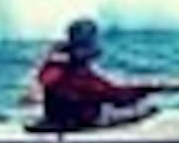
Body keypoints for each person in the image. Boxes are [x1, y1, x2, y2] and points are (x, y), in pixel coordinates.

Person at [29, 16, 157, 136]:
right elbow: (109, 94)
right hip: (79, 121)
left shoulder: (55, 63)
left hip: (58, 118)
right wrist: (140, 92)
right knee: (146, 109)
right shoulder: (70, 69)